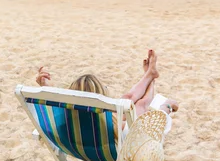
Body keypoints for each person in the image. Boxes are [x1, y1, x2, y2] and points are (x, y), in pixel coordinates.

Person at [36, 50, 178, 125]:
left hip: (91, 130)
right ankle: (150, 78)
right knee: (140, 105)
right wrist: (167, 107)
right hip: (116, 143)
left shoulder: (64, 114)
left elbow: (58, 98)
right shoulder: (111, 126)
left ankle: (150, 75)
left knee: (127, 99)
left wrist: (45, 87)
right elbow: (147, 122)